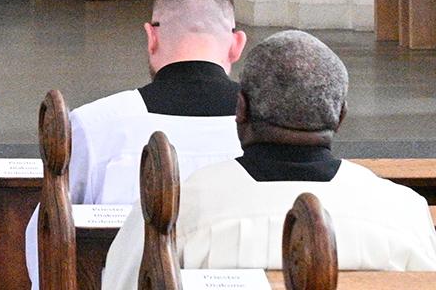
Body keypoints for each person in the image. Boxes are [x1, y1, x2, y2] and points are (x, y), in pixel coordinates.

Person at [101, 30, 436, 286]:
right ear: (341, 116)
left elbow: (121, 282)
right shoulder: (404, 212)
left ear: (241, 109)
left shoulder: (173, 208)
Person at [24, 0, 247, 287]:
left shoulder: (95, 125)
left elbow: (46, 239)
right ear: (236, 45)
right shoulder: (269, 130)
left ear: (151, 37)